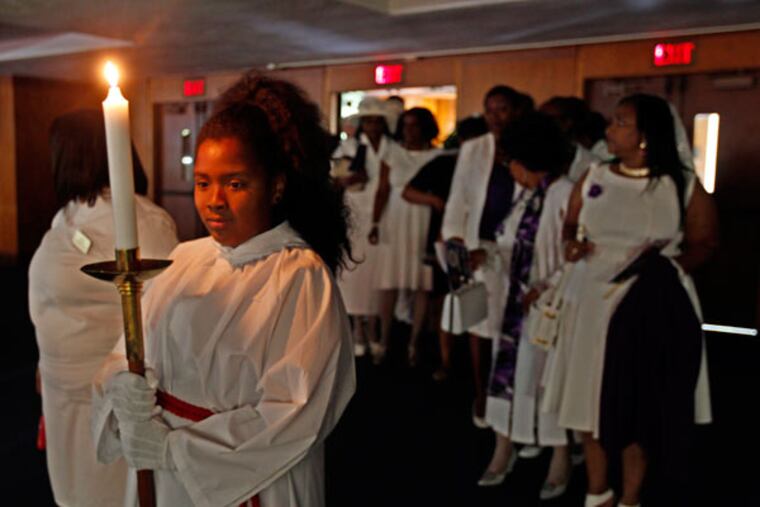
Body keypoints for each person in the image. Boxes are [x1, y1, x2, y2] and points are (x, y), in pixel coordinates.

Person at [91, 73, 356, 506]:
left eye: (235, 183)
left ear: (275, 186)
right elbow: (131, 348)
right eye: (203, 182)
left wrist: (176, 450)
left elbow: (295, 411)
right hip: (165, 471)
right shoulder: (183, 260)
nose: (215, 200)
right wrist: (120, 384)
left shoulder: (298, 277)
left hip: (245, 478)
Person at [541, 94, 717, 506]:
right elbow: (571, 224)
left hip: (647, 301)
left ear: (645, 137)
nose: (609, 129)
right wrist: (572, 245)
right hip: (591, 297)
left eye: (620, 122)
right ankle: (597, 489)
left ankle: (631, 495)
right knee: (589, 396)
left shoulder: (680, 184)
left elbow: (705, 241)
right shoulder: (595, 175)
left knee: (634, 398)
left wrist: (667, 272)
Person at [28, 109, 178, 507]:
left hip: (114, 389)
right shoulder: (69, 214)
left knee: (113, 487)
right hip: (62, 386)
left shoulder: (145, 222)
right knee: (74, 485)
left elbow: (165, 308)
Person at [477, 112, 574, 497]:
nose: (508, 168)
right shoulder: (526, 196)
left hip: (550, 304)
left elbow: (576, 252)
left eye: (510, 160)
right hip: (515, 305)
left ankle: (560, 455)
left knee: (548, 380)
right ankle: (503, 447)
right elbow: (510, 243)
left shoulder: (565, 193)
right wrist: (485, 255)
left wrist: (547, 284)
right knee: (507, 379)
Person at [441, 85, 533, 427]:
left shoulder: (526, 146)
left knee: (510, 328)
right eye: (490, 109)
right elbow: (458, 200)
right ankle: (482, 393)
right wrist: (457, 245)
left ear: (516, 111)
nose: (496, 116)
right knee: (480, 323)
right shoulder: (474, 148)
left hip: (515, 247)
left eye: (503, 109)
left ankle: (510, 400)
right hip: (476, 246)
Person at [401, 115, 488, 380]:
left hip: (478, 242)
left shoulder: (490, 167)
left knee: (476, 299)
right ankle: (445, 357)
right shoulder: (445, 163)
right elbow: (408, 191)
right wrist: (435, 201)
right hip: (445, 239)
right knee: (443, 298)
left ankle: (465, 363)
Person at [368, 107, 440, 366]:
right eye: (405, 125)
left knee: (421, 282)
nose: (409, 131)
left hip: (423, 219)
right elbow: (383, 189)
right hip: (395, 218)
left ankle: (414, 342)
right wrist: (375, 222)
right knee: (389, 281)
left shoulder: (438, 155)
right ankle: (384, 340)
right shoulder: (392, 152)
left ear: (425, 128)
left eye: (415, 125)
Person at [332, 96, 395, 357]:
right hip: (356, 210)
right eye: (367, 121)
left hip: (384, 213)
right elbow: (335, 179)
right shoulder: (351, 147)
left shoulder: (392, 148)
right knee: (354, 270)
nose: (371, 126)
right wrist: (351, 178)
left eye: (376, 121)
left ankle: (376, 329)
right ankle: (357, 327)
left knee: (379, 272)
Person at [539, 96, 600, 181]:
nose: (540, 124)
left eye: (548, 119)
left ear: (567, 123)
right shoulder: (535, 157)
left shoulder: (593, 165)